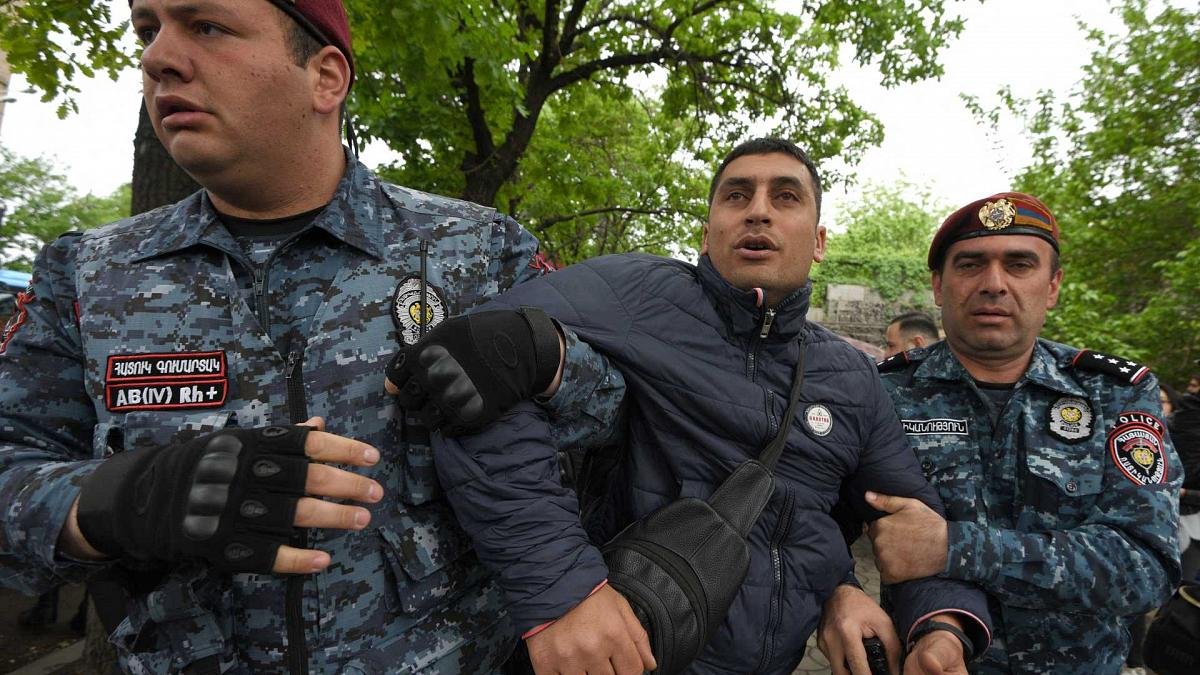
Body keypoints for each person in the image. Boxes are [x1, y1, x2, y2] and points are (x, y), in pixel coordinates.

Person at [0, 1, 620, 672]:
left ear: (325, 77)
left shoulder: (478, 249)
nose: (157, 59)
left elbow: (615, 418)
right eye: (149, 32)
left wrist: (546, 355)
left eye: (206, 26)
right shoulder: (86, 274)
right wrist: (117, 499)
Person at [389, 138, 994, 674]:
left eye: (786, 197)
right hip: (632, 651)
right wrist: (561, 589)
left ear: (818, 242)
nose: (758, 209)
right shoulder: (629, 294)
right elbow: (464, 372)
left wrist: (937, 627)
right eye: (737, 196)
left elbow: (909, 520)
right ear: (707, 234)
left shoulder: (853, 378)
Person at [863, 192, 1181, 673]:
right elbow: (815, 520)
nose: (994, 284)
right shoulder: (881, 392)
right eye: (970, 265)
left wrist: (954, 548)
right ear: (938, 286)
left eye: (1019, 265)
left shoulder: (1113, 394)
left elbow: (1146, 567)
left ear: (1052, 286)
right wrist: (842, 593)